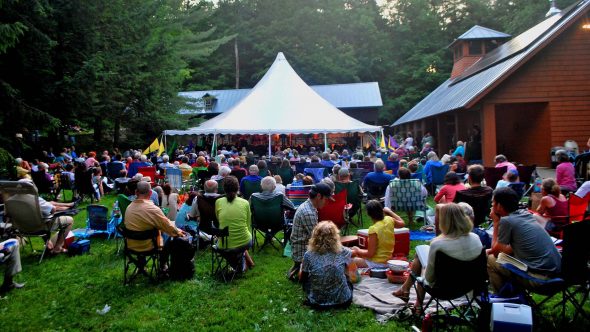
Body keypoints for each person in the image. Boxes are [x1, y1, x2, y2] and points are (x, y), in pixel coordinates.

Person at [392, 203, 482, 313]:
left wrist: (424, 270)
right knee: (421, 255)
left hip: (442, 290)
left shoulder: (438, 244)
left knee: (420, 256)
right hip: (468, 286)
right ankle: (405, 290)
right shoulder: (476, 238)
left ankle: (416, 304)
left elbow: (429, 279)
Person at [486, 187, 562, 293]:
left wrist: (495, 222)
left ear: (499, 206)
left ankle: (502, 300)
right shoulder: (526, 215)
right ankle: (514, 296)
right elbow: (514, 247)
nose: (492, 205)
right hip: (558, 275)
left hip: (541, 280)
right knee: (501, 258)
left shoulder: (507, 221)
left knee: (491, 260)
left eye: (493, 202)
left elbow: (496, 253)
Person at [300, 221, 353, 309]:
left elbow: (303, 278)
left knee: (306, 274)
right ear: (335, 236)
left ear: (315, 237)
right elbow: (353, 273)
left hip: (317, 303)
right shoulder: (343, 251)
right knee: (348, 277)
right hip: (343, 301)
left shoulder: (308, 255)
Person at [287, 183, 333, 280]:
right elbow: (318, 239)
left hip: (302, 247)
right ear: (319, 196)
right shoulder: (308, 212)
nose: (326, 202)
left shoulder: (309, 206)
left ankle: (296, 269)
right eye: (326, 199)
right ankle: (299, 269)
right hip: (303, 252)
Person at [124, 181, 185, 254]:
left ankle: (141, 263)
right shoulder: (153, 209)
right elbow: (168, 226)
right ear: (150, 193)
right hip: (149, 246)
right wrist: (179, 232)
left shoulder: (128, 208)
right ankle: (163, 263)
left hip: (131, 245)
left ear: (136, 192)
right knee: (168, 234)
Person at [215, 176, 255, 270]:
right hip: (244, 241)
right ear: (238, 188)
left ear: (224, 188)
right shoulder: (245, 203)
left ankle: (239, 263)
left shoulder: (218, 202)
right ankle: (242, 263)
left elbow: (218, 220)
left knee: (232, 244)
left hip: (224, 245)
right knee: (242, 241)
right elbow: (248, 223)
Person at [351, 200, 405, 268]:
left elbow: (370, 254)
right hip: (388, 261)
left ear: (368, 214)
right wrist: (389, 212)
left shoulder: (373, 229)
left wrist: (357, 251)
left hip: (377, 263)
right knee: (355, 251)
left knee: (349, 259)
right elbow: (402, 223)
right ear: (381, 210)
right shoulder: (389, 220)